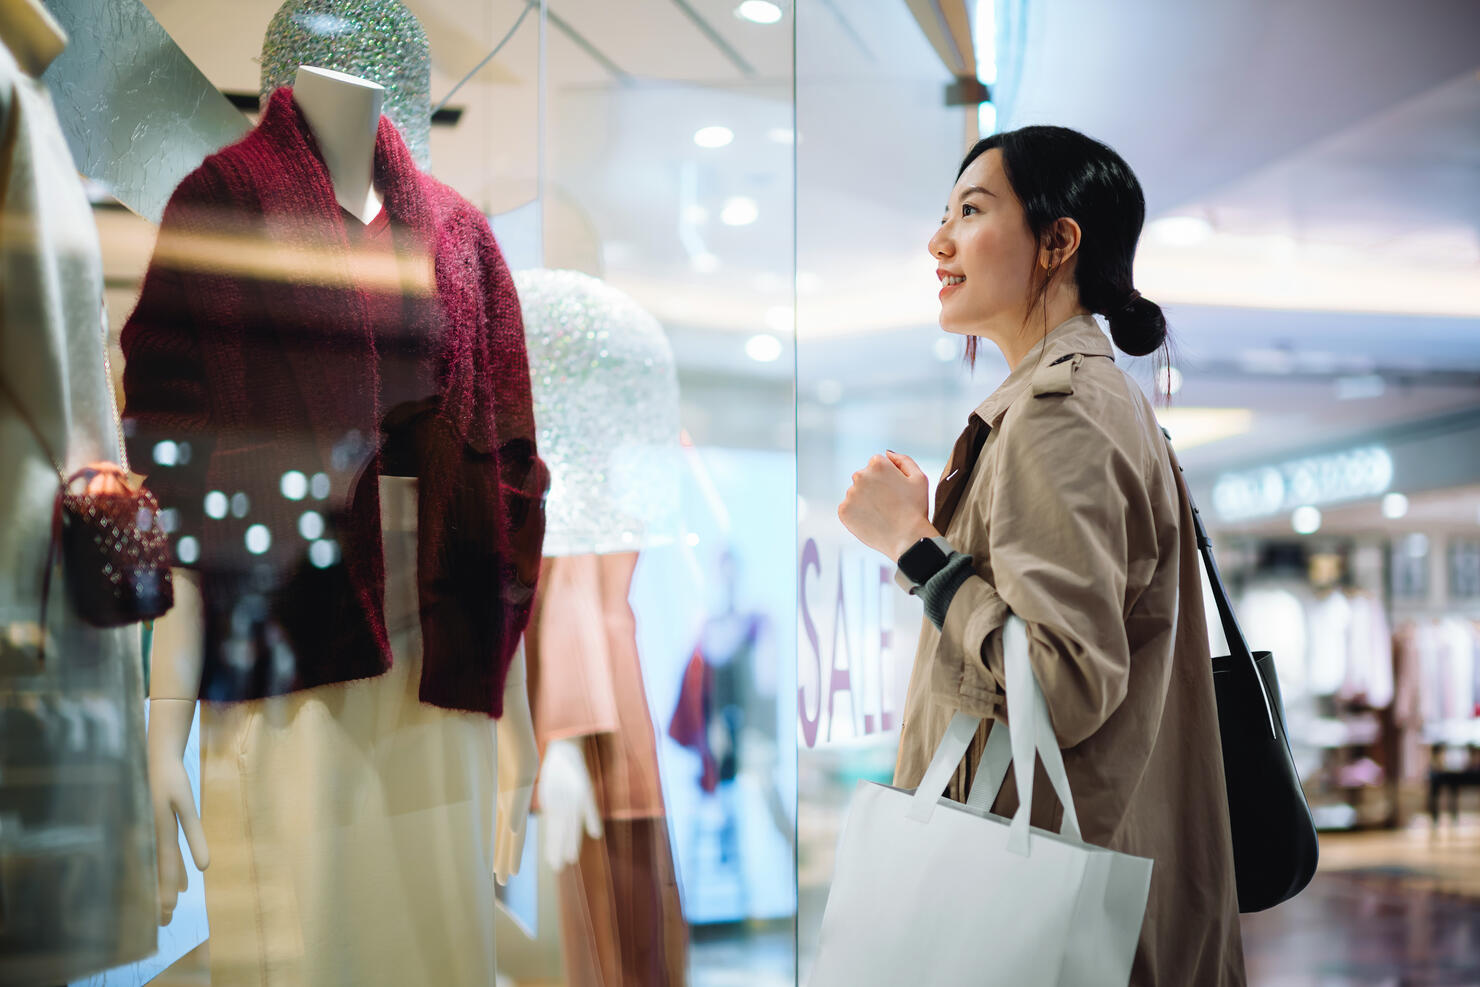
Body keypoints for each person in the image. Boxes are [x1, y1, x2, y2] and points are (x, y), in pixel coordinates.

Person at [836, 125, 1246, 986]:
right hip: (1103, 871)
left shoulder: (1059, 412)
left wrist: (914, 549)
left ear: (1058, 242)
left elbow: (1061, 683)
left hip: (1048, 896)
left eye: (972, 210)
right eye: (942, 212)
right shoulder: (1093, 400)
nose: (937, 239)